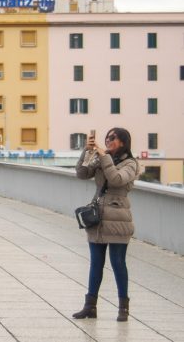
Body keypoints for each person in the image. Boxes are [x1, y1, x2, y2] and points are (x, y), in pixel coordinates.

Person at [72, 128, 140, 322]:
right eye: (106, 138)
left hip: (118, 219)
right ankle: (89, 306)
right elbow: (82, 173)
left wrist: (103, 157)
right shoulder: (103, 158)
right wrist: (87, 151)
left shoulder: (131, 164)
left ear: (123, 142)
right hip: (98, 217)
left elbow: (117, 179)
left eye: (112, 138)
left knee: (118, 263)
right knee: (95, 264)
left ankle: (123, 308)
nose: (108, 141)